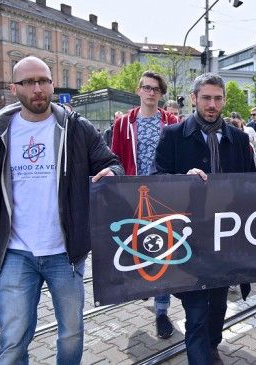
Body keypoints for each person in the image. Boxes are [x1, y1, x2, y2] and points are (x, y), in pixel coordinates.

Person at [0, 56, 123, 364]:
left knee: (71, 333)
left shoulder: (77, 128)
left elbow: (111, 163)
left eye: (43, 80)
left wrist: (112, 174)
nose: (37, 88)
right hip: (15, 253)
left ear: (53, 84)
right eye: (29, 82)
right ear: (14, 88)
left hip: (65, 253)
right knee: (13, 339)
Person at [153, 73, 255, 365]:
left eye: (218, 98)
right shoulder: (173, 135)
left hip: (226, 239)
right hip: (188, 240)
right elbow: (157, 177)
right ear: (194, 98)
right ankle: (201, 356)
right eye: (206, 98)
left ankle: (212, 345)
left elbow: (252, 185)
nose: (212, 104)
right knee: (196, 310)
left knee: (218, 306)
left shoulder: (238, 138)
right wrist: (180, 180)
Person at [110, 71, 178, 338]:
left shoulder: (171, 121)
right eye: (146, 88)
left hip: (164, 195)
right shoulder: (124, 123)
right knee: (136, 247)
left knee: (162, 251)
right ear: (138, 90)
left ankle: (162, 310)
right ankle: (141, 282)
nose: (151, 92)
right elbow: (115, 157)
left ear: (161, 94)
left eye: (156, 89)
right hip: (132, 193)